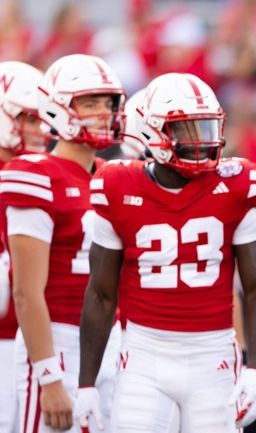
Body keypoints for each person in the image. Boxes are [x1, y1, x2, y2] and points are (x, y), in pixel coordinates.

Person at [77, 72, 256, 433]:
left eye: (206, 128)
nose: (200, 141)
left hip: (212, 355)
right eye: (187, 129)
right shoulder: (117, 185)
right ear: (154, 132)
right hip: (144, 354)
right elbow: (101, 294)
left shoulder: (238, 184)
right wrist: (86, 382)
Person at [2, 54, 124, 433]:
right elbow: (26, 291)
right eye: (90, 104)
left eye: (108, 104)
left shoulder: (116, 176)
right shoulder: (35, 175)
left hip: (111, 343)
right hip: (57, 339)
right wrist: (48, 374)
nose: (103, 114)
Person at [0, 60, 47, 433]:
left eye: (43, 118)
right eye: (29, 118)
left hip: (40, 344)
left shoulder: (49, 179)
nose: (40, 129)